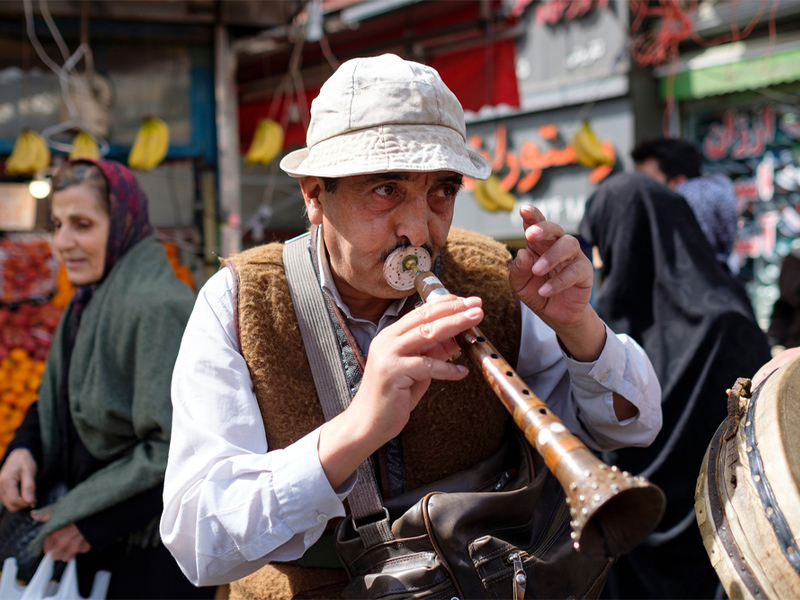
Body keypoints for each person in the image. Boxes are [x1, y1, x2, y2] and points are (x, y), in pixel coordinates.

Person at [160, 54, 663, 598]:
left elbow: (630, 429)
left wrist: (579, 328)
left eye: (442, 191)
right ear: (314, 195)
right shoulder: (238, 299)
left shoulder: (492, 275)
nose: (418, 231)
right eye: (385, 190)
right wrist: (358, 428)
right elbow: (196, 543)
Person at [0, 159, 212, 599]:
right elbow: (59, 397)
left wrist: (94, 523)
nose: (63, 242)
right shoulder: (89, 299)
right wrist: (24, 447)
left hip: (146, 552)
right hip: (94, 544)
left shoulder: (158, 308)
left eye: (82, 225)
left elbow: (183, 450)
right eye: (57, 224)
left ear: (123, 224)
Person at [579, 172, 772, 599]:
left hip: (625, 559)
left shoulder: (598, 341)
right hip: (719, 559)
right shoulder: (730, 322)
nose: (597, 262)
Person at [632, 137, 738, 267]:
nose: (640, 189)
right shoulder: (715, 194)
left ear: (678, 182)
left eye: (647, 182)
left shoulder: (692, 202)